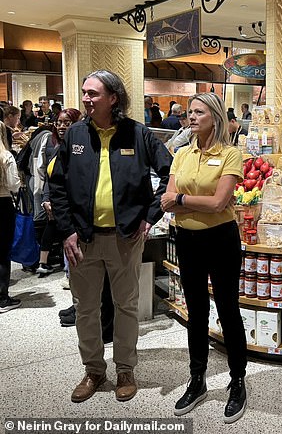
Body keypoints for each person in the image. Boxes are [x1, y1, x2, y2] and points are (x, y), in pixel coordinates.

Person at [49, 69, 172, 403]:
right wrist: (68, 231)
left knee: (126, 306)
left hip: (125, 239)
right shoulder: (74, 135)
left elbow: (170, 174)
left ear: (113, 97)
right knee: (85, 308)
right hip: (82, 240)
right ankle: (93, 370)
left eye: (94, 94)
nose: (86, 99)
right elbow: (57, 186)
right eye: (85, 93)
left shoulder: (138, 135)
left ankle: (125, 370)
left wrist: (149, 217)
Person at [160, 92, 247, 422]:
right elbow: (166, 199)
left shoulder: (231, 154)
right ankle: (197, 379)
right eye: (189, 112)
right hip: (187, 238)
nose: (191, 117)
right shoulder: (181, 154)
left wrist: (181, 198)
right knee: (195, 310)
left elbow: (219, 203)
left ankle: (237, 380)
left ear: (214, 116)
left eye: (198, 112)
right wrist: (186, 200)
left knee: (227, 308)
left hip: (221, 238)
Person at [35, 109, 82, 277]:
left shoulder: (81, 146)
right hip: (60, 201)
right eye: (59, 123)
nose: (62, 127)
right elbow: (49, 175)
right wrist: (46, 198)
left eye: (66, 123)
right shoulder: (52, 144)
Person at [0, 121, 22, 313]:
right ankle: (2, 298)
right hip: (2, 203)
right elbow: (14, 185)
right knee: (2, 251)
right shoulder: (6, 156)